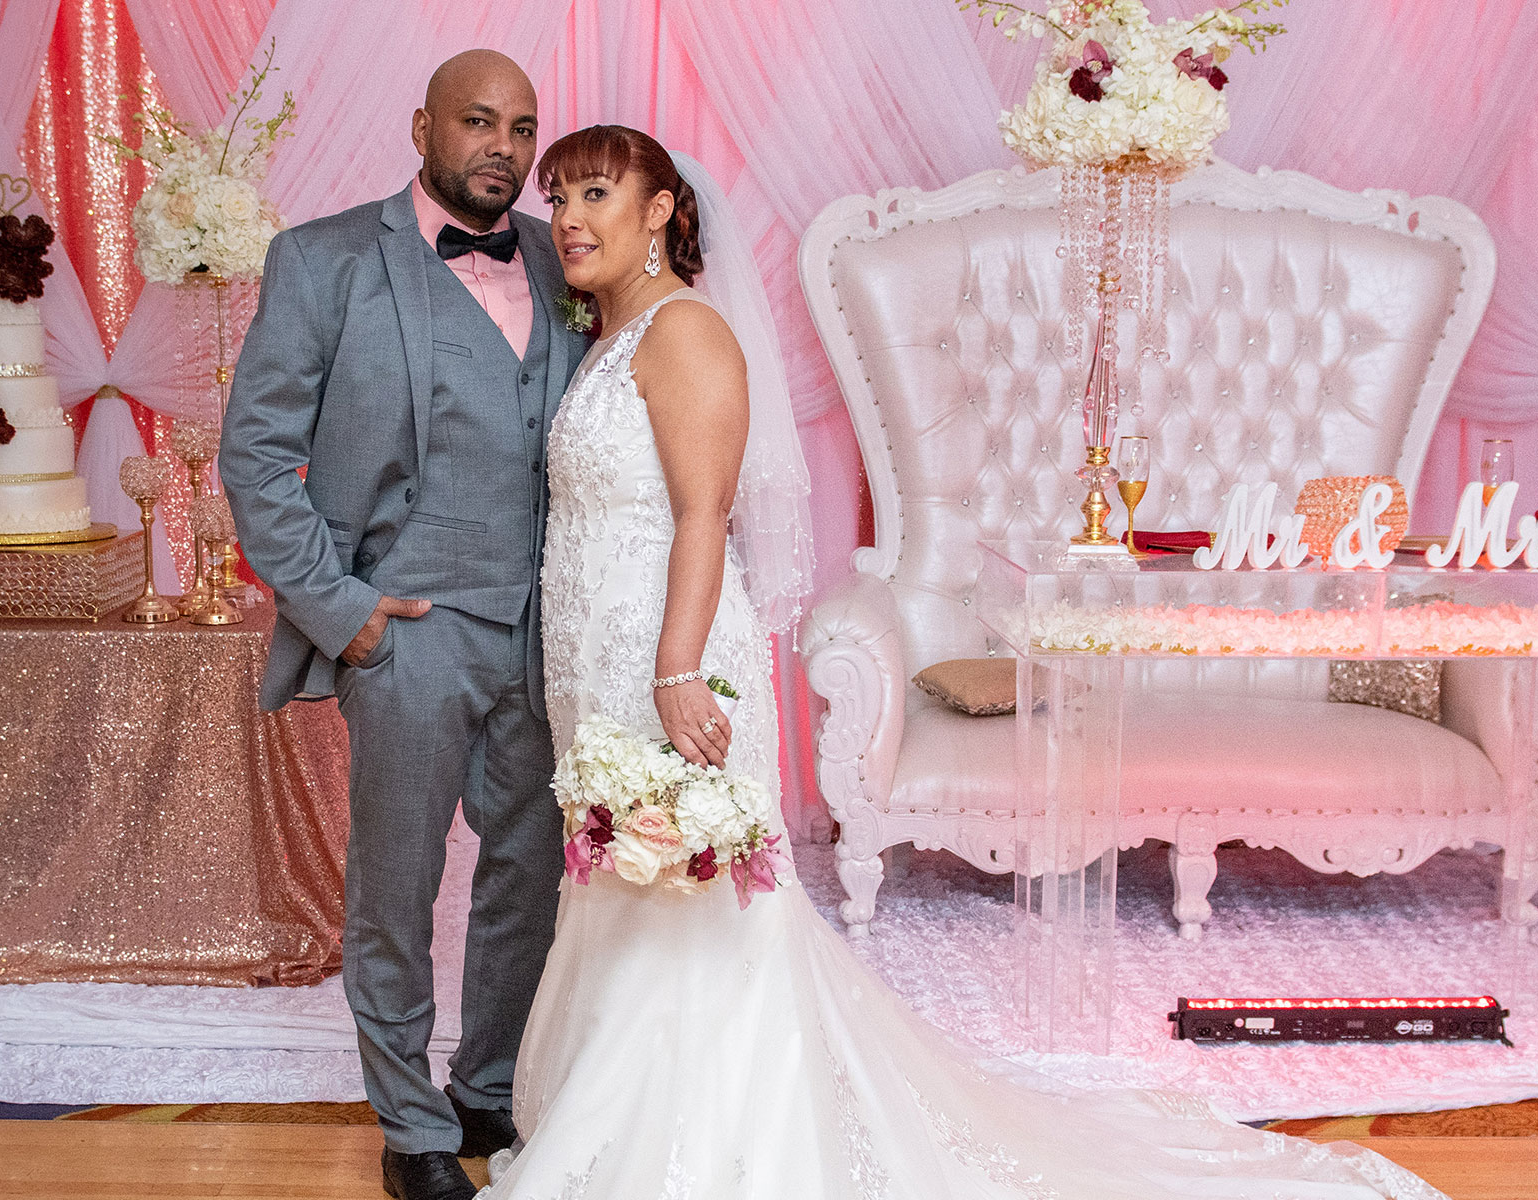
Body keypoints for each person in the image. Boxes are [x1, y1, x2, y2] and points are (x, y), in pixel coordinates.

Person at [478, 123, 1451, 1199]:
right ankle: (628, 1129)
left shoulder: (686, 334)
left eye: (596, 194)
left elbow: (705, 516)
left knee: (689, 906)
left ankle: (687, 1155)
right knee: (624, 888)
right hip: (600, 666)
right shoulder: (612, 338)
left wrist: (674, 674)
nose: (567, 219)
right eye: (558, 197)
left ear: (660, 211)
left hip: (667, 666)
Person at [220, 51, 586, 1200]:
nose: (504, 148)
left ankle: (486, 1087)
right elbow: (255, 457)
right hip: (407, 627)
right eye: (478, 122)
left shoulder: (565, 256)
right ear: (423, 128)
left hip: (545, 630)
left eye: (521, 127)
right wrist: (343, 614)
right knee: (397, 886)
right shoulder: (322, 259)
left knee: (530, 875)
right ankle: (413, 1129)